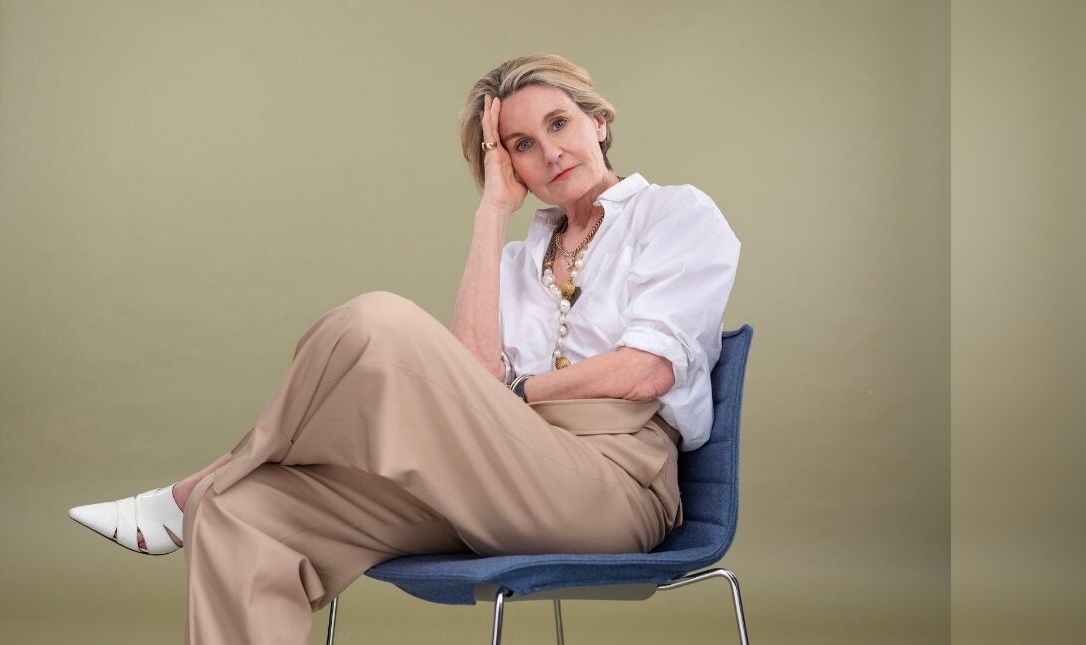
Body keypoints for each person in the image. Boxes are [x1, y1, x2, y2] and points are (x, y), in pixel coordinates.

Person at [68, 52, 740, 644]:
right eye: (521, 145)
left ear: (598, 121)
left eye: (559, 124)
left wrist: (519, 393)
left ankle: (189, 487)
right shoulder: (514, 260)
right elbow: (466, 382)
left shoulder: (675, 214)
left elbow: (646, 372)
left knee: (378, 326)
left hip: (611, 488)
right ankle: (207, 496)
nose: (549, 152)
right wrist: (491, 214)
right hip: (497, 471)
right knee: (244, 511)